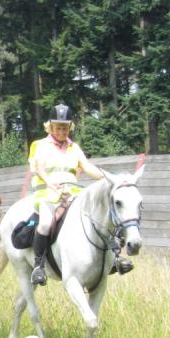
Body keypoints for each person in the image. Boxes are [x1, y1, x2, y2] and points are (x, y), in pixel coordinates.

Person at [26, 104, 129, 286]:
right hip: (47, 195)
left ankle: (114, 258)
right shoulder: (39, 145)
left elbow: (87, 167)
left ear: (70, 127)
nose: (62, 131)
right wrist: (52, 185)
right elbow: (39, 168)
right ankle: (38, 267)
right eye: (58, 127)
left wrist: (109, 177)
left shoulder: (74, 147)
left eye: (65, 127)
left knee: (99, 217)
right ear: (50, 127)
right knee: (44, 224)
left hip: (73, 195)